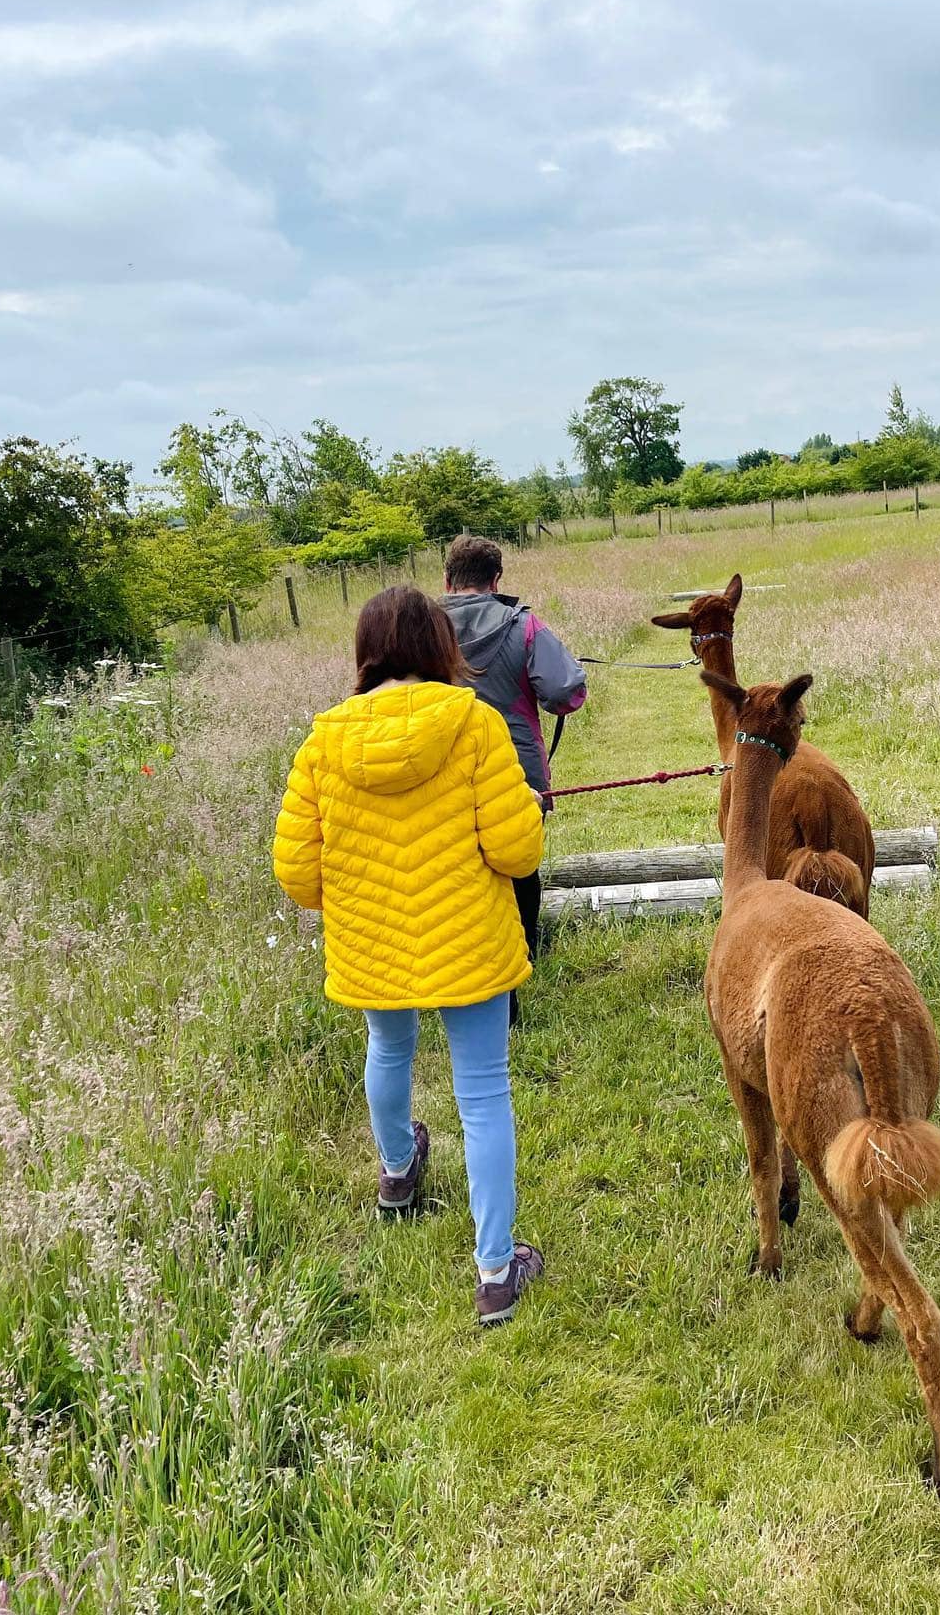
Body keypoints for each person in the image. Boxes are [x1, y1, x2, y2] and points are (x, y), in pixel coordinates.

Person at [273, 584, 547, 1326]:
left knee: (387, 1049)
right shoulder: (475, 724)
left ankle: (398, 1171)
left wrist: (361, 893)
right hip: (469, 938)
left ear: (366, 652)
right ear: (439, 646)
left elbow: (298, 874)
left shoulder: (324, 740)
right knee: (483, 1092)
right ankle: (495, 1272)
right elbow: (518, 851)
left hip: (372, 942)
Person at [440, 535, 587, 1015]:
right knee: (519, 863)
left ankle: (468, 970)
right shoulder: (524, 625)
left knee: (459, 873)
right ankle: (524, 950)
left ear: (447, 579)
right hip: (516, 770)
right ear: (496, 580)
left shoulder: (422, 630)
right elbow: (564, 692)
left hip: (441, 774)